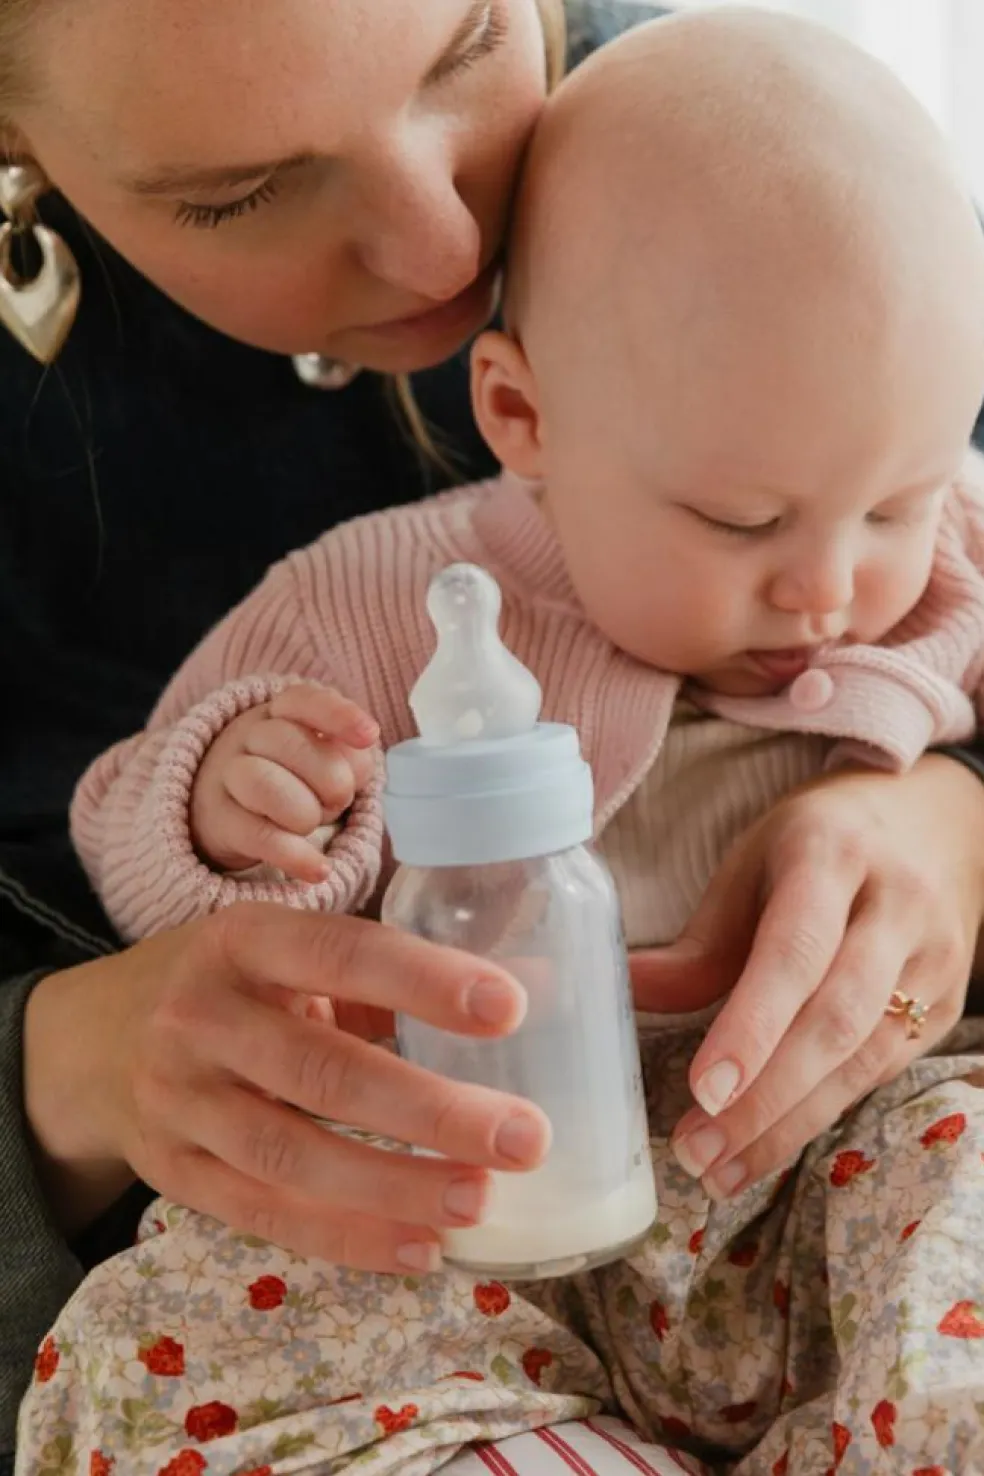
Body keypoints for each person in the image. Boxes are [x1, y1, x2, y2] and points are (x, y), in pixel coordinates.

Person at [3, 0, 984, 1470]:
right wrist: (230, 813)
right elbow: (153, 843)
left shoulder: (774, 176)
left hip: (835, 1173)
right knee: (196, 1350)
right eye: (242, 191)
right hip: (440, 1221)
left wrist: (956, 815)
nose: (445, 251)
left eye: (467, 45)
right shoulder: (366, 598)